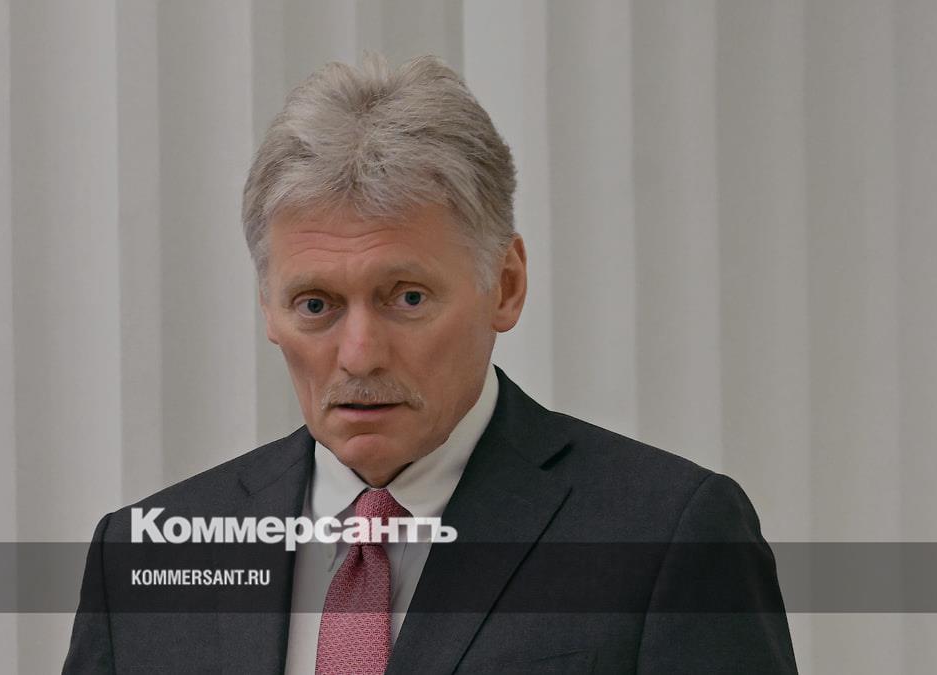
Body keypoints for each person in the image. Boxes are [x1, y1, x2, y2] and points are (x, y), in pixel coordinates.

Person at [63, 53, 797, 674]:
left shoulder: (667, 537)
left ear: (505, 284)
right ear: (268, 309)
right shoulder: (139, 557)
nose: (359, 355)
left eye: (407, 297)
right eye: (316, 304)